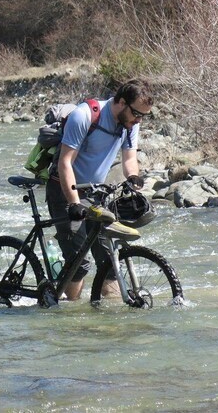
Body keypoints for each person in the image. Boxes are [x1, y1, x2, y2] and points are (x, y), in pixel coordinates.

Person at [46, 78, 153, 300]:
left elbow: (129, 157)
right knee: (80, 263)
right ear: (122, 102)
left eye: (144, 116)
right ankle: (71, 317)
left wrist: (134, 177)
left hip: (96, 193)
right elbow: (64, 163)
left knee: (109, 262)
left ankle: (112, 324)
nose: (139, 120)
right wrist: (74, 203)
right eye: (136, 114)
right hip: (65, 190)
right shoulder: (84, 115)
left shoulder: (130, 123)